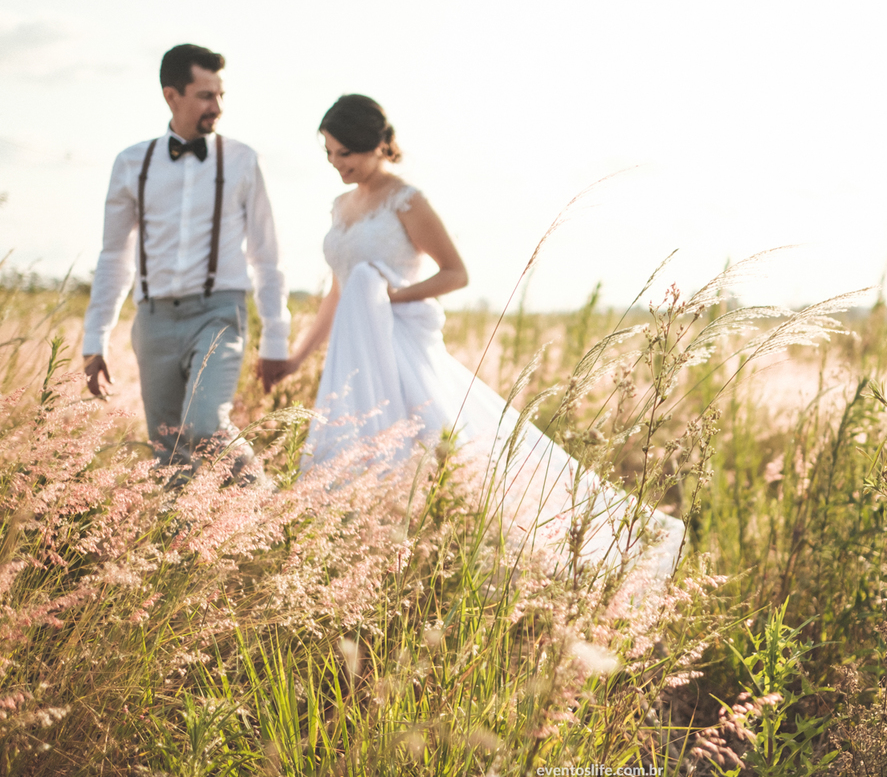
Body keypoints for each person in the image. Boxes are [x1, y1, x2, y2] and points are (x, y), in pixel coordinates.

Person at [283, 94, 683, 576]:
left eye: (346, 152)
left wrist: (388, 298)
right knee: (355, 447)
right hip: (352, 352)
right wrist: (297, 356)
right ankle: (359, 558)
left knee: (434, 446)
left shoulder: (406, 200)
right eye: (329, 154)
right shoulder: (339, 205)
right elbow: (337, 292)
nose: (337, 164)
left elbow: (455, 273)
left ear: (379, 144)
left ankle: (481, 550)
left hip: (401, 344)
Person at [82, 44, 291, 470]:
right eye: (205, 95)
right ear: (171, 95)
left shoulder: (243, 160)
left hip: (218, 315)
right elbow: (114, 257)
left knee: (205, 425)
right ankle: (182, 536)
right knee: (168, 449)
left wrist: (275, 338)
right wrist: (95, 338)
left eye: (220, 95)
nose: (217, 107)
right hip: (154, 321)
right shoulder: (131, 163)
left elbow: (267, 256)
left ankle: (268, 509)